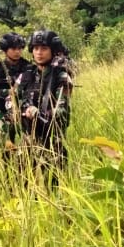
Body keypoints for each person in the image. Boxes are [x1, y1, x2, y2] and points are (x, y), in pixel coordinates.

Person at [18, 29, 74, 184]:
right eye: (35, 48)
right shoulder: (28, 74)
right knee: (23, 182)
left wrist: (40, 114)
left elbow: (62, 109)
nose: (39, 53)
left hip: (51, 138)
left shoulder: (61, 76)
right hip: (29, 137)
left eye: (44, 48)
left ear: (53, 51)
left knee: (54, 186)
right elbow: (18, 98)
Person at [0, 32, 31, 158]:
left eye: (20, 48)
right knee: (6, 150)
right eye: (14, 48)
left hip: (24, 113)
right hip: (3, 114)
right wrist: (7, 92)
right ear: (5, 50)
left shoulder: (29, 67)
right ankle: (8, 176)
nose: (17, 52)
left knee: (29, 147)